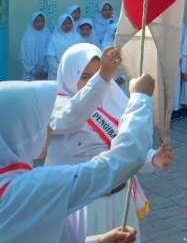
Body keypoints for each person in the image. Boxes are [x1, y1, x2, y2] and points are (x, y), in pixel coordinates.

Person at [0, 72, 156, 243]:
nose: (50, 129)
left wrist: (98, 240)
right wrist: (141, 98)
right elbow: (124, 159)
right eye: (41, 123)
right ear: (20, 131)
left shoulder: (15, 184)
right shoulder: (31, 188)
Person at [48, 44, 175, 241]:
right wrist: (102, 78)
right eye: (84, 77)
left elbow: (125, 150)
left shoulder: (113, 102)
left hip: (120, 198)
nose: (91, 82)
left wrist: (153, 159)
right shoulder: (58, 107)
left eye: (96, 74)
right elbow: (73, 116)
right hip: (86, 206)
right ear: (68, 76)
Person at [47, 13, 80, 80]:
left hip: (75, 73)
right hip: (56, 74)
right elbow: (50, 57)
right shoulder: (54, 39)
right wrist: (60, 71)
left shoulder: (79, 38)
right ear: (59, 24)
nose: (67, 26)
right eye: (64, 23)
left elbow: (82, 56)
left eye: (69, 23)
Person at [20, 11, 50, 81]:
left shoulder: (48, 35)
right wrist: (33, 71)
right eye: (37, 21)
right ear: (32, 22)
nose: (40, 24)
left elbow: (50, 55)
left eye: (42, 21)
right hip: (29, 73)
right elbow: (23, 56)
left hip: (44, 73)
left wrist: (46, 70)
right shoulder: (27, 37)